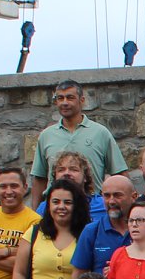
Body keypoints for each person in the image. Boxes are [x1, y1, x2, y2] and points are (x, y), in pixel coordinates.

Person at [30, 79, 126, 207]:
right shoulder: (46, 136)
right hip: (56, 208)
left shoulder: (100, 133)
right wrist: (36, 213)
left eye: (70, 98)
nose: (64, 103)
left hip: (92, 207)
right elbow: (40, 178)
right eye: (60, 98)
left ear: (82, 100)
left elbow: (119, 173)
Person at [70, 173, 135, 275]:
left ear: (134, 197)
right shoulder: (91, 231)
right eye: (107, 196)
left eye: (118, 195)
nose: (111, 201)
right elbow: (79, 274)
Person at [48, 150, 103, 220]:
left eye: (73, 169)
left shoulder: (102, 205)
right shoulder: (45, 207)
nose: (66, 173)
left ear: (85, 176)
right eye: (61, 170)